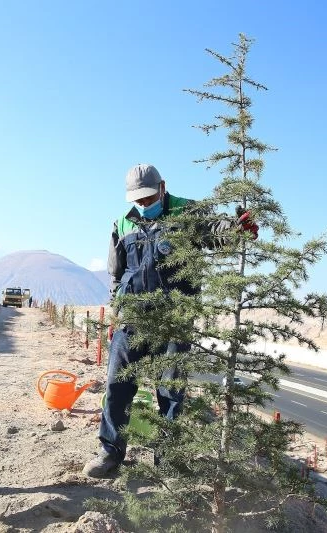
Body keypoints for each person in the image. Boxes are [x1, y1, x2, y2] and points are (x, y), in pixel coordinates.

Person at [82, 164, 257, 478]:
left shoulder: (186, 212)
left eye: (149, 197)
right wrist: (117, 314)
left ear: (162, 187)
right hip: (132, 320)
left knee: (171, 392)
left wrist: (236, 228)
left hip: (175, 320)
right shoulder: (122, 223)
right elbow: (116, 274)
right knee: (117, 387)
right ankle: (109, 454)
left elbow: (215, 232)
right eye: (138, 200)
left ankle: (168, 462)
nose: (144, 205)